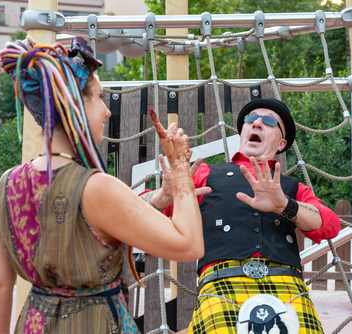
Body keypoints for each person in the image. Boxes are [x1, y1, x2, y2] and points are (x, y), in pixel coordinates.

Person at [0, 37, 204, 334]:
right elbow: (189, 244)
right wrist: (180, 169)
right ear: (76, 104)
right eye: (99, 97)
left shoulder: (6, 184)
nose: (107, 110)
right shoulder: (96, 186)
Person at [141, 98, 341, 333]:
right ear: (243, 131)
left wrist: (284, 205)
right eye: (250, 119)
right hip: (221, 284)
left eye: (268, 121)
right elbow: (136, 213)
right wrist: (164, 196)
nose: (256, 123)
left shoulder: (292, 188)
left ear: (281, 143)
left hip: (287, 286)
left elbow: (330, 225)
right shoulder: (205, 175)